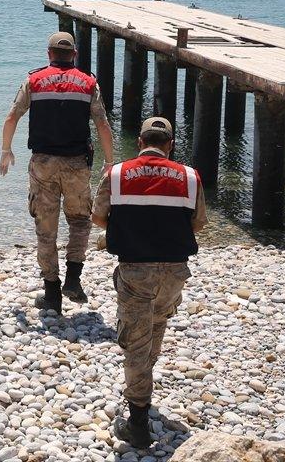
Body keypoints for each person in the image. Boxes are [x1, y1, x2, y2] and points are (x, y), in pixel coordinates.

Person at [92, 116, 206, 449]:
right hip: (174, 271)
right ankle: (143, 383)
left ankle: (139, 422)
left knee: (135, 343)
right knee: (156, 326)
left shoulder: (116, 175)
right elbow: (197, 224)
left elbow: (98, 216)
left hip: (136, 270)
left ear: (140, 142)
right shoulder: (190, 177)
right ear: (170, 145)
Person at [0, 31, 114, 314]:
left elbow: (12, 115)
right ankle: (73, 280)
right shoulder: (88, 83)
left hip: (44, 164)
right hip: (77, 164)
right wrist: (110, 161)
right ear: (74, 54)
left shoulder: (34, 81)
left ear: (49, 54)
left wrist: (6, 150)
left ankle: (52, 292)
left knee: (46, 228)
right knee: (79, 221)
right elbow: (102, 124)